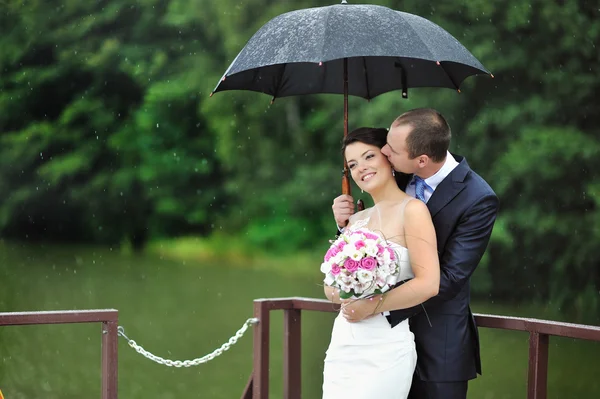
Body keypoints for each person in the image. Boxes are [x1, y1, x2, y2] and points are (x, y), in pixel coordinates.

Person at [332, 108, 499, 399]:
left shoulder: (478, 198)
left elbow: (450, 276)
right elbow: (376, 231)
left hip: (438, 344)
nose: (384, 152)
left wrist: (377, 306)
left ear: (421, 159)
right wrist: (343, 225)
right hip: (377, 347)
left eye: (391, 149)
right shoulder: (396, 174)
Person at [322, 127, 441, 399]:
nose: (361, 168)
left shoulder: (413, 210)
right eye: (352, 164)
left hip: (385, 347)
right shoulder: (354, 221)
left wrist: (371, 305)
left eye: (368, 157)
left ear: (388, 157)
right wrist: (345, 292)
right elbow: (329, 286)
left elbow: (429, 283)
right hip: (343, 346)